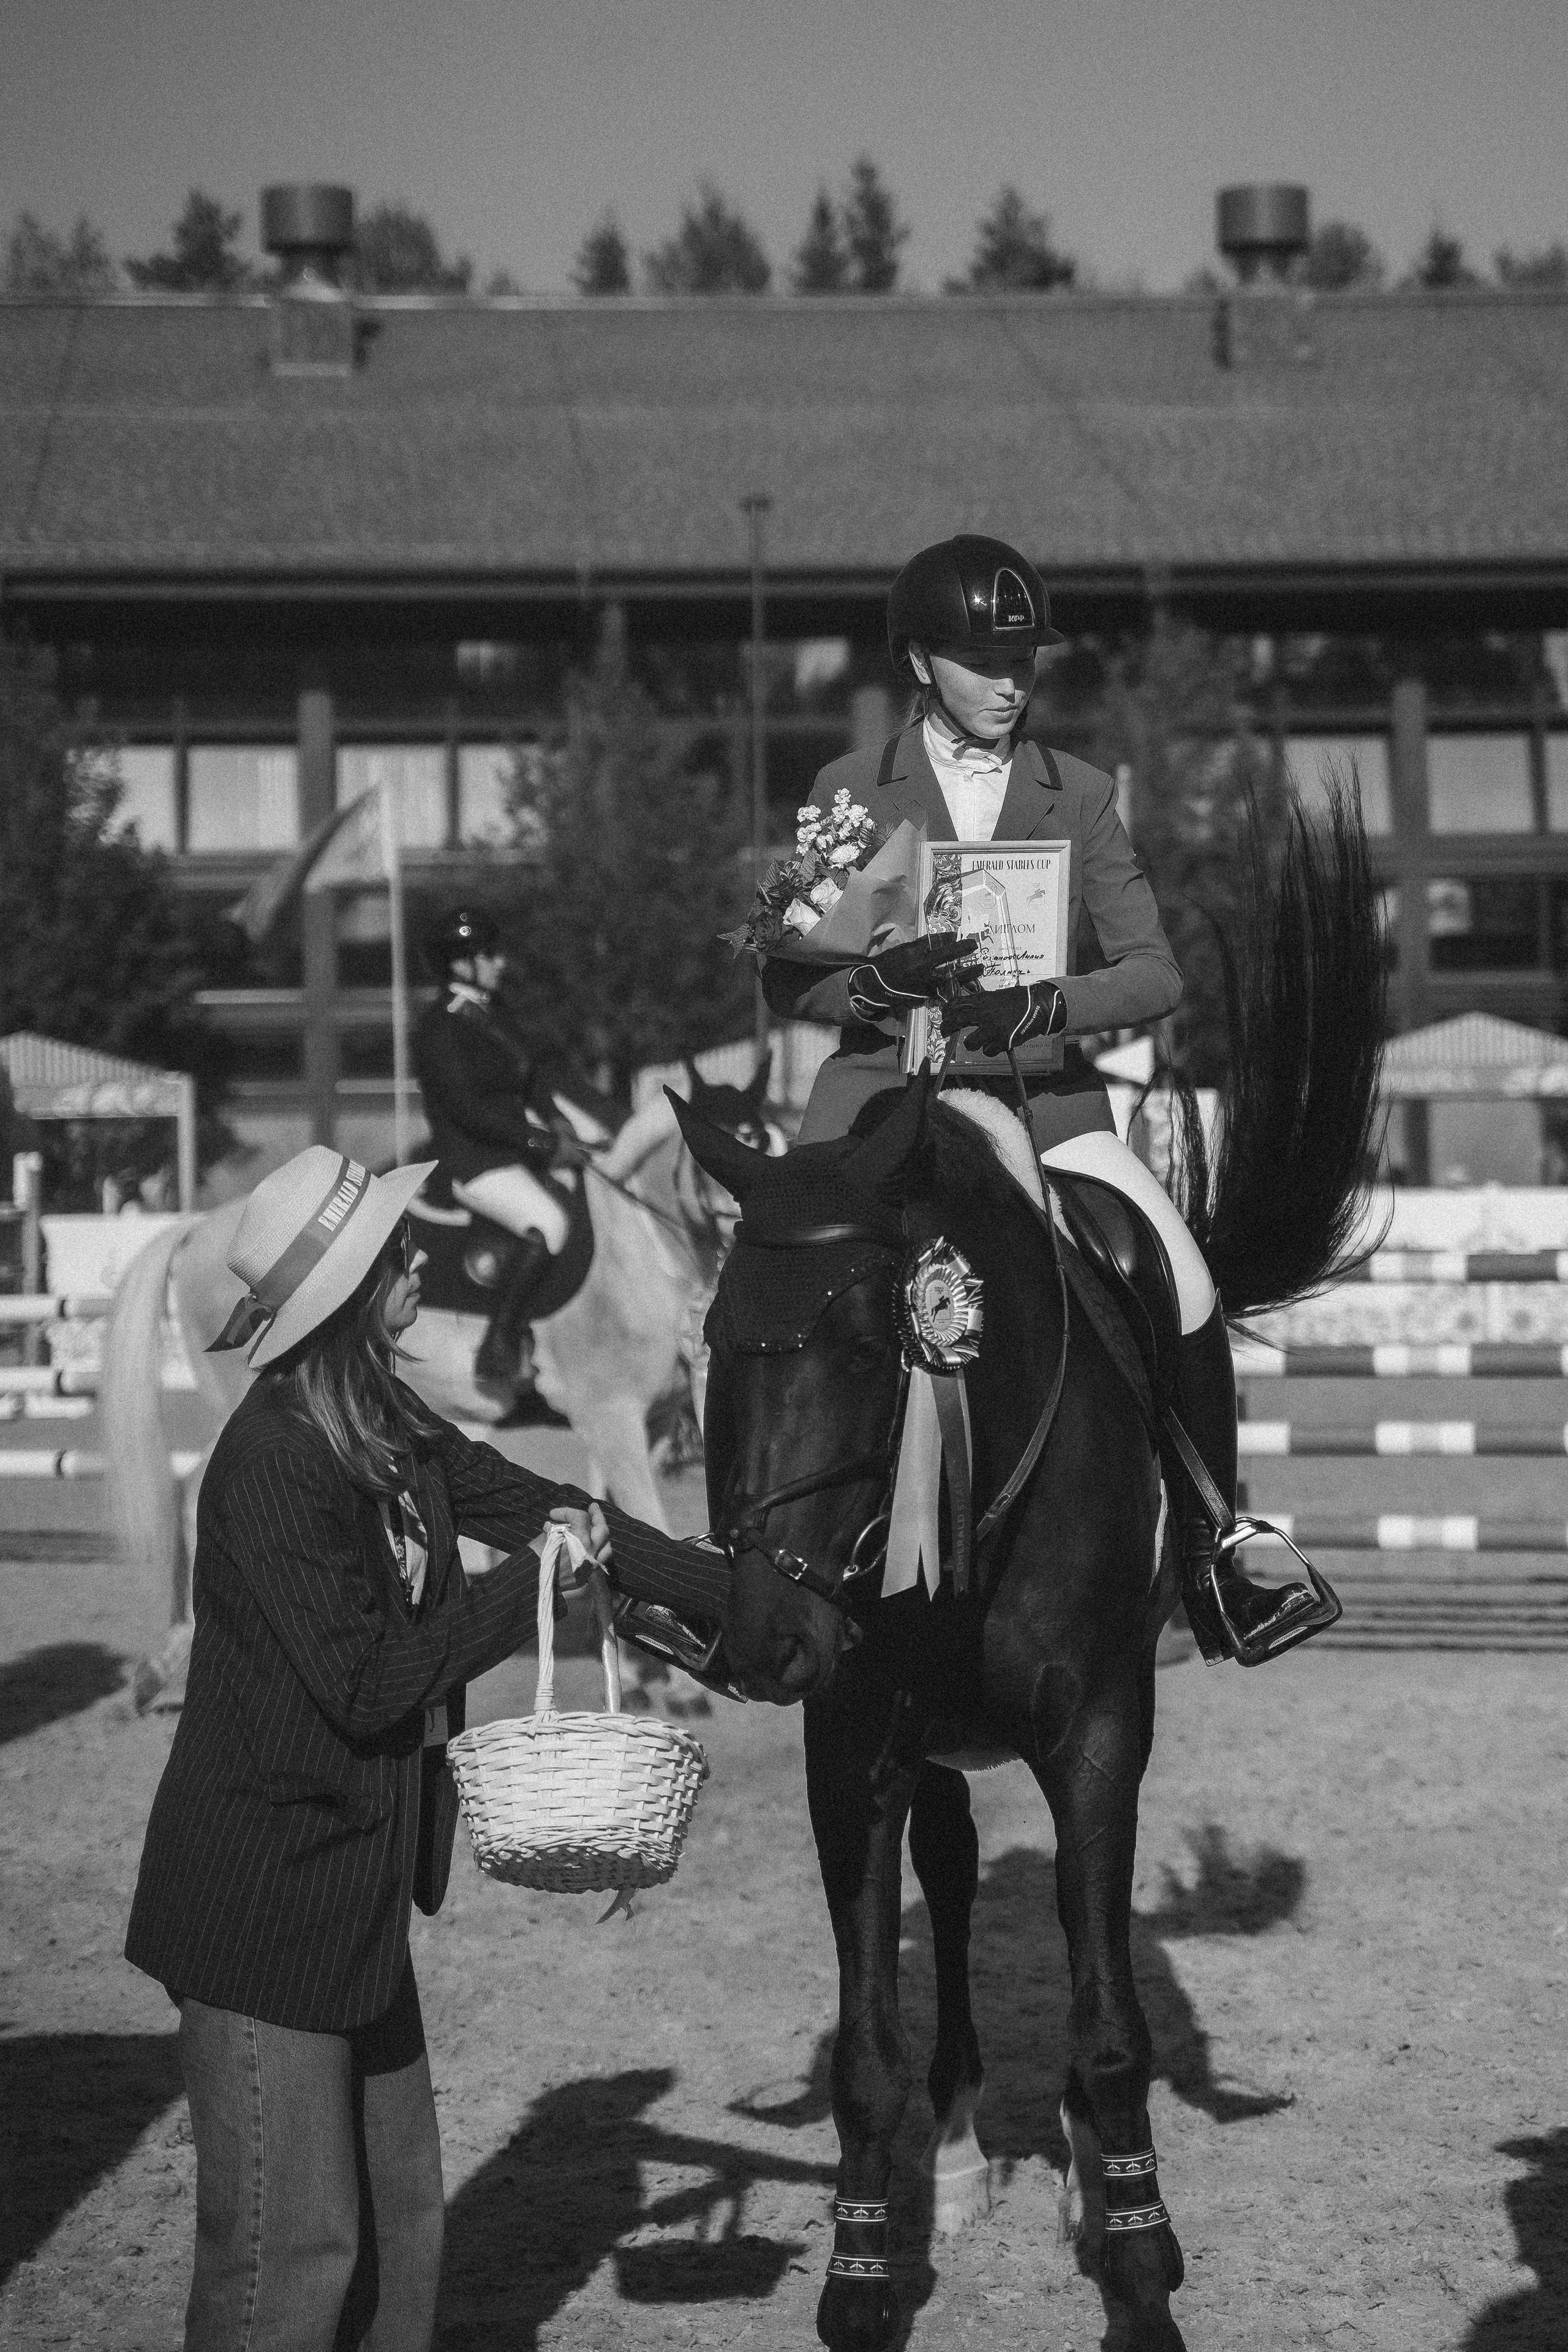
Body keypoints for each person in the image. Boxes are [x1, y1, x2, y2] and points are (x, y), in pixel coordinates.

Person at [124, 1146, 730, 2351]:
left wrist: (743, 1597)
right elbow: (368, 1686)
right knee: (288, 2259)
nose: (422, 1257)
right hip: (262, 1911)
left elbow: (541, 1505)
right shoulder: (273, 1461)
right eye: (397, 1251)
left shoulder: (386, 1423)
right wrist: (531, 1592)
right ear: (353, 1293)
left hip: (352, 1893)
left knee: (402, 2232)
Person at [760, 532, 1332, 1667]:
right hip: (887, 1101)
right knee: (774, 1269)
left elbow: (1155, 970)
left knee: (1180, 1272)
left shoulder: (1081, 793)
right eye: (983, 658)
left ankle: (1218, 1544)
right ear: (921, 663)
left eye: (1024, 657)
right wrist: (876, 983)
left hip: (1046, 1105)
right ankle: (748, 1541)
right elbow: (784, 970)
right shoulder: (848, 793)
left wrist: (1038, 1009)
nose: (1012, 679)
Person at [412, 907, 574, 1393]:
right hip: (473, 1163)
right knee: (551, 1223)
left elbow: (531, 1077)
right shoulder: (439, 1029)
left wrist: (559, 1120)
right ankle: (498, 1346)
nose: (500, 963)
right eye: (490, 955)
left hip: (511, 1155)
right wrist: (544, 1143)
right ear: (463, 965)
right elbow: (469, 1112)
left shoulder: (493, 1016)